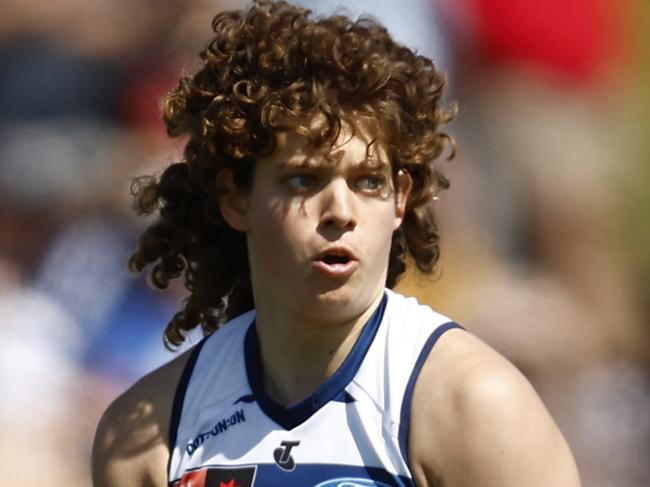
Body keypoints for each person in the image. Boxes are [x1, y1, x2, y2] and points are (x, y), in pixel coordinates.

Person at [92, 1, 581, 486]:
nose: (341, 213)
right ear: (235, 198)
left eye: (368, 182)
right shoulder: (152, 434)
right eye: (303, 180)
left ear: (400, 200)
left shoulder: (476, 407)